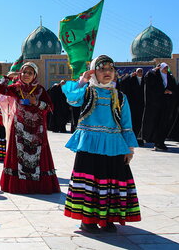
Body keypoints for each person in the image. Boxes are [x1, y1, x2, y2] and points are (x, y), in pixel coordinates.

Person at [62, 55, 141, 233]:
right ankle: (88, 220)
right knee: (91, 182)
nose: (107, 73)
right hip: (90, 144)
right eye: (102, 69)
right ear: (93, 72)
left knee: (112, 182)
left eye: (111, 69)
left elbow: (126, 124)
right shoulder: (88, 92)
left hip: (113, 145)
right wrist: (82, 81)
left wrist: (130, 148)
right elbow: (72, 99)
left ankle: (108, 218)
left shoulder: (120, 97)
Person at [0, 62, 59, 194]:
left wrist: (35, 102)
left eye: (30, 73)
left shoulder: (40, 89)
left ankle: (37, 186)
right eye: (24, 72)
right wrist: (7, 78)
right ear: (20, 73)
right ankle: (20, 185)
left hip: (37, 128)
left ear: (35, 75)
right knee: (19, 154)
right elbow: (1, 90)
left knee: (37, 156)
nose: (26, 75)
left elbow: (50, 107)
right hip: (20, 127)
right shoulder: (16, 88)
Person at [142, 63, 178, 151]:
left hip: (166, 105)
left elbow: (175, 89)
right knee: (155, 123)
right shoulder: (154, 76)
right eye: (164, 68)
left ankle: (160, 142)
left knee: (164, 124)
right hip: (156, 104)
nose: (166, 70)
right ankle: (156, 142)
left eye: (167, 68)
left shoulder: (170, 77)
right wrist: (162, 91)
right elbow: (149, 83)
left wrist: (171, 92)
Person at [119, 69, 146, 146]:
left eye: (141, 71)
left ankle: (139, 138)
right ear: (135, 72)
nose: (140, 73)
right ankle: (132, 139)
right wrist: (130, 75)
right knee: (133, 122)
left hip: (142, 105)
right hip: (133, 104)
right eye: (138, 71)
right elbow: (122, 82)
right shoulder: (131, 79)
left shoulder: (145, 79)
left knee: (140, 122)